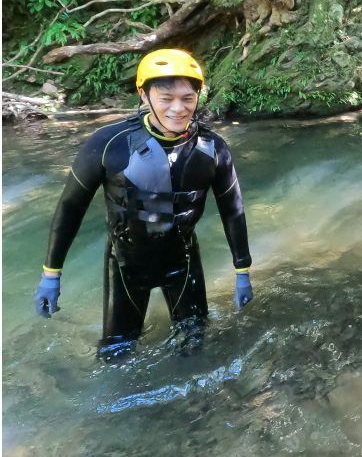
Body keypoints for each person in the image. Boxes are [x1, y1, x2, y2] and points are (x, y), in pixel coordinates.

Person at [32, 49, 254, 357]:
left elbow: (233, 210)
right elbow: (71, 206)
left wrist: (242, 271)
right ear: (143, 94)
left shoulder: (213, 149)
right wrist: (51, 274)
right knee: (116, 353)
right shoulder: (108, 144)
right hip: (126, 266)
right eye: (166, 98)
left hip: (183, 262)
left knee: (195, 344)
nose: (178, 108)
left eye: (188, 98)